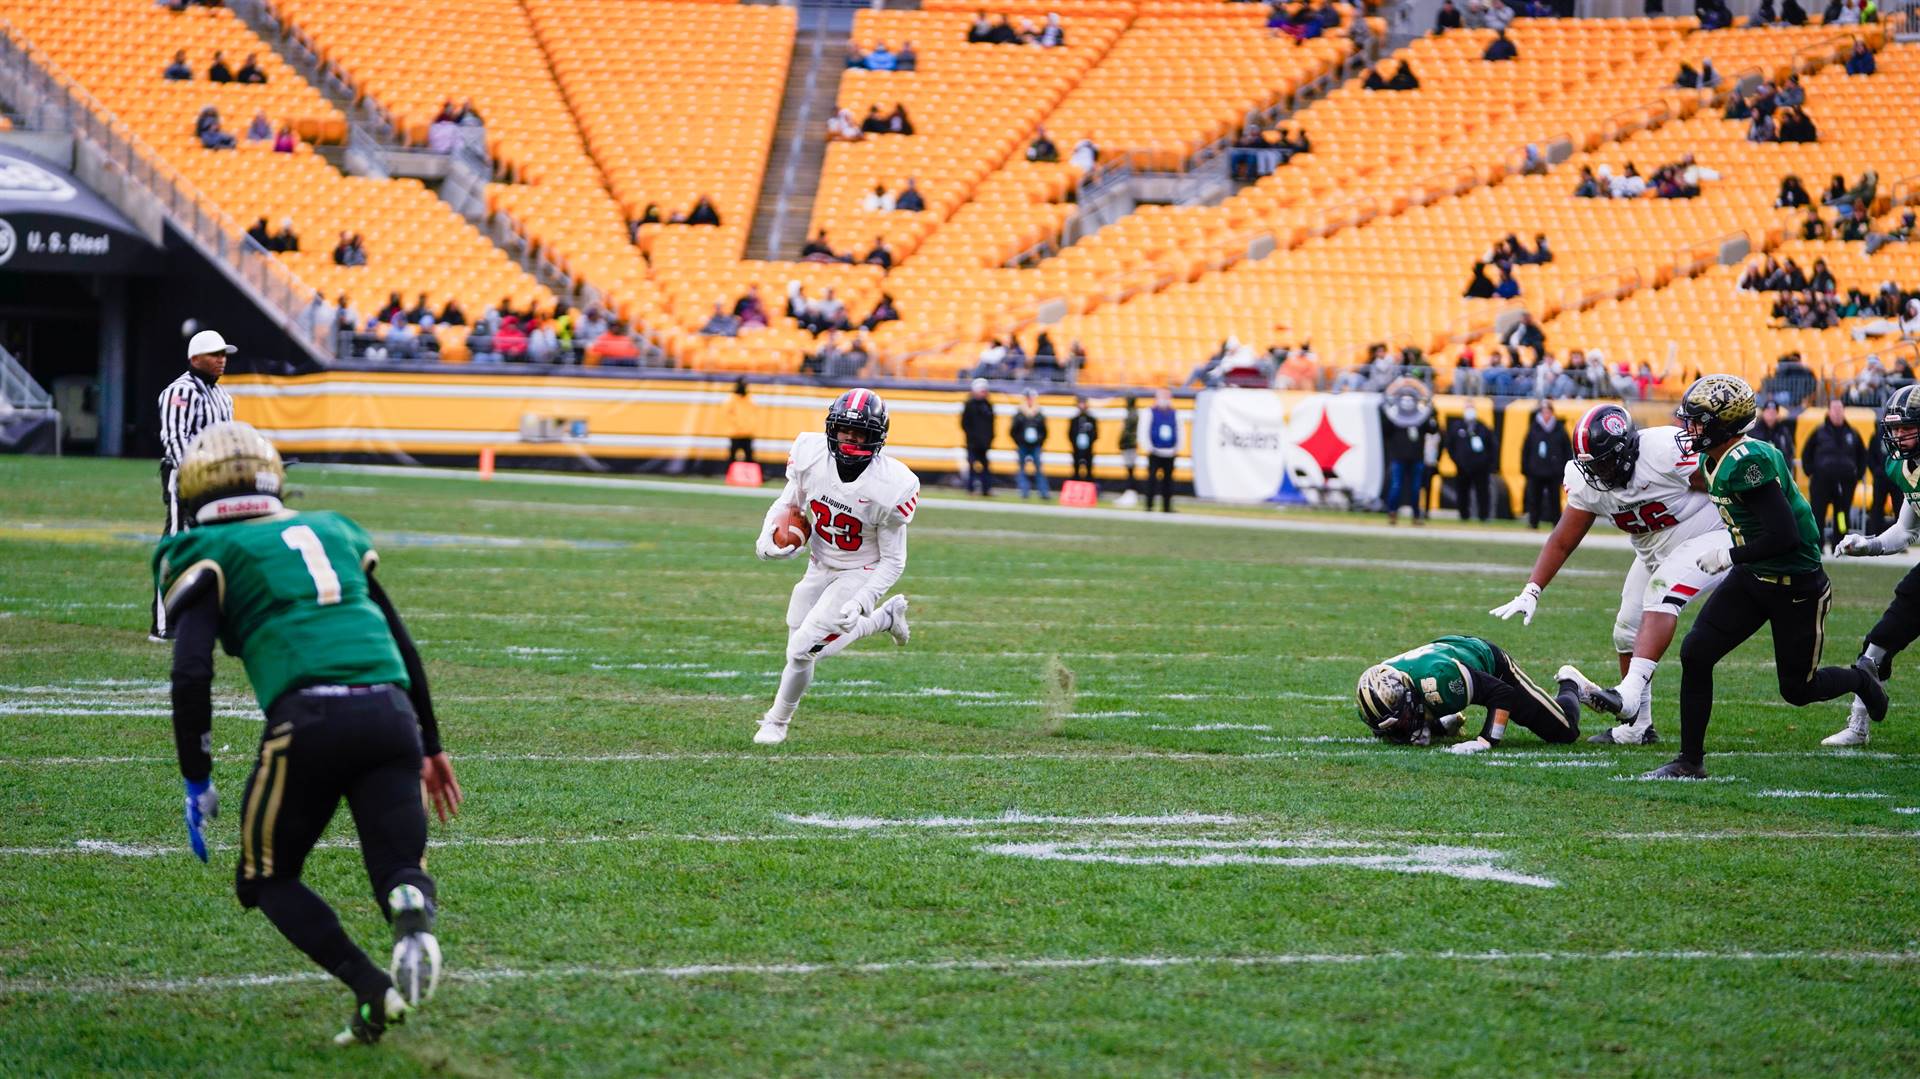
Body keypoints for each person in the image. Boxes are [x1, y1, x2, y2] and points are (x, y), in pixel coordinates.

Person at [152, 421, 459, 1043]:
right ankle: (404, 927)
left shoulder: (205, 549)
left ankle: (368, 982)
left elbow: (190, 671)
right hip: (391, 712)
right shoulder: (334, 528)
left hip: (309, 719)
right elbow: (399, 636)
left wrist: (196, 773)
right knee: (399, 863)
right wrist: (431, 741)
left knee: (266, 877)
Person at [1645, 375, 1887, 779]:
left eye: (1699, 421)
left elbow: (1784, 536)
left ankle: (1860, 679)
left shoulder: (1747, 461)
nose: (1690, 428)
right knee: (1696, 652)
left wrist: (1727, 554)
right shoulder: (1714, 457)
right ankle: (1690, 760)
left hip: (1796, 585)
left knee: (1798, 690)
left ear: (1725, 423)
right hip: (1754, 576)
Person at [1496, 405, 1732, 745]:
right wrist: (1532, 590)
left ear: (1626, 450)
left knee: (1660, 595)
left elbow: (1724, 483)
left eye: (1603, 462)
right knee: (1625, 630)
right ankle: (1638, 727)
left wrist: (1754, 535)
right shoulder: (1588, 480)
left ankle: (1630, 695)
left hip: (1707, 539)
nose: (1597, 473)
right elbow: (1563, 540)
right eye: (1590, 465)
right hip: (1654, 552)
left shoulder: (1664, 453)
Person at [752, 390, 917, 745]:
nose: (851, 439)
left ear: (877, 438)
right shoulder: (810, 455)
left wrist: (862, 598)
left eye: (861, 434)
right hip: (820, 561)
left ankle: (777, 721)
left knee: (801, 650)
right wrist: (767, 538)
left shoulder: (892, 486)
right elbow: (788, 503)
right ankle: (883, 620)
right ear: (832, 428)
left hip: (860, 570)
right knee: (800, 646)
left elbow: (893, 560)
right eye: (845, 430)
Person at [1828, 385, 1920, 744]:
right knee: (1877, 642)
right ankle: (1858, 727)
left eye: (1906, 427)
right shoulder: (1904, 467)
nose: (1898, 435)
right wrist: (1866, 545)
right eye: (1894, 428)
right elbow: (1905, 531)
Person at [1355, 636, 1581, 755]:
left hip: (1486, 661)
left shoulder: (1439, 679)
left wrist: (1486, 741)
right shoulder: (1379, 690)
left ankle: (1571, 682)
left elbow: (1502, 693)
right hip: (1444, 659)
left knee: (1564, 732)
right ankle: (1442, 722)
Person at [152, 329, 238, 639]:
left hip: (216, 482)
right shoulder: (181, 391)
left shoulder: (222, 396)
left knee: (215, 548)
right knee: (177, 544)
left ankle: (207, 618)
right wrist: (197, 472)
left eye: (224, 354)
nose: (221, 360)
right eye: (215, 354)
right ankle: (163, 624)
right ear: (195, 358)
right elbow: (175, 438)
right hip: (185, 479)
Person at [1802, 398, 1868, 550]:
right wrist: (1810, 471)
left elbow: (1862, 455)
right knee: (1818, 514)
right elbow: (1806, 453)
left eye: (1840, 409)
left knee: (1842, 515)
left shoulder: (1852, 433)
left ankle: (1840, 545)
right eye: (1834, 409)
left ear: (1843, 411)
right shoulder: (1818, 432)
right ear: (1829, 411)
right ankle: (1817, 546)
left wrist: (1857, 474)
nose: (1837, 413)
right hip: (1821, 482)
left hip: (1845, 483)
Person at [1520, 403, 1571, 528]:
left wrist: (1565, 469)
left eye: (1548, 412)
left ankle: (1557, 524)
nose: (1546, 414)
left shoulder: (1559, 429)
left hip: (1554, 470)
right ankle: (1533, 522)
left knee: (1554, 499)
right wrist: (1525, 467)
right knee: (1534, 498)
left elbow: (1567, 450)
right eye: (1544, 412)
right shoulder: (1534, 428)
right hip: (1536, 470)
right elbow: (1526, 449)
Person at [1445, 406, 1495, 521]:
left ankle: (1484, 516)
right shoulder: (1457, 427)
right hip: (1462, 467)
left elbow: (1491, 446)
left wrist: (1487, 462)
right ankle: (1464, 515)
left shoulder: (1482, 427)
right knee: (1462, 492)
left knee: (1482, 492)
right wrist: (1457, 460)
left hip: (1480, 468)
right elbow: (1450, 445)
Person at [1142, 389, 1179, 512]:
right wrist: (1149, 447)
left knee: (1168, 481)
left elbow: (1179, 431)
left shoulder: (1174, 413)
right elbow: (1144, 430)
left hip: (1169, 452)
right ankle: (1149, 505)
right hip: (1155, 451)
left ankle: (1167, 507)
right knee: (1151, 479)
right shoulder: (1150, 412)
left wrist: (1176, 448)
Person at [1009, 390, 1050, 500]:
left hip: (1035, 446)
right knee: (1022, 469)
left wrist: (1039, 441)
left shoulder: (1039, 414)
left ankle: (1044, 492)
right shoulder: (1019, 413)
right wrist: (1019, 441)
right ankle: (1024, 491)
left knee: (1038, 469)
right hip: (1023, 445)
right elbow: (1013, 430)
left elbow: (1044, 431)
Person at [961, 378, 996, 496]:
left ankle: (986, 489)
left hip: (984, 443)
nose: (984, 393)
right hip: (973, 443)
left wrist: (990, 438)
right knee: (971, 465)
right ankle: (970, 489)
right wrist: (972, 438)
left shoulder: (988, 405)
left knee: (985, 467)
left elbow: (991, 424)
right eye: (982, 391)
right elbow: (965, 424)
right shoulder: (970, 405)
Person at [1751, 399, 1798, 472]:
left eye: (1773, 412)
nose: (1771, 414)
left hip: (1780, 470)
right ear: (1763, 412)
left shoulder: (1783, 431)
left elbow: (1789, 450)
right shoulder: (1754, 431)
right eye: (1768, 411)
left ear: (1777, 414)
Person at [724, 377, 757, 465]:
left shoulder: (749, 399)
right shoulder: (731, 399)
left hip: (747, 433)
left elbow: (753, 414)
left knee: (749, 457)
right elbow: (728, 415)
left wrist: (750, 427)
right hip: (735, 433)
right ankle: (730, 474)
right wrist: (738, 425)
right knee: (732, 457)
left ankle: (750, 476)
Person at [1069, 396, 1097, 484]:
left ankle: (1089, 488)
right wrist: (1075, 443)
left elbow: (1095, 433)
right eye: (1080, 403)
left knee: (1089, 470)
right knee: (1076, 469)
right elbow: (1070, 434)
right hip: (1077, 449)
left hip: (1088, 449)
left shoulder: (1091, 419)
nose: (1082, 405)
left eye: (1083, 403)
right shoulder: (1074, 420)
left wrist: (1089, 442)